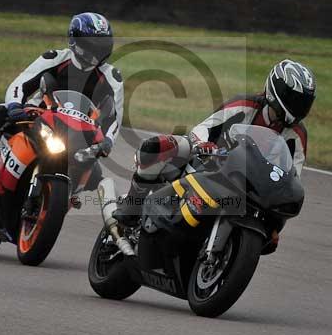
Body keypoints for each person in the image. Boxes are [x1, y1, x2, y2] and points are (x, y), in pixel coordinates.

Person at [116, 59, 316, 253]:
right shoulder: (245, 104)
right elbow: (205, 127)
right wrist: (202, 144)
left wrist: (276, 225)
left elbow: (292, 176)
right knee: (160, 146)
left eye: (305, 102)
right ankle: (132, 206)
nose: (300, 107)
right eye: (295, 100)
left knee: (272, 234)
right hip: (210, 161)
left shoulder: (297, 135)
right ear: (276, 91)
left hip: (249, 185)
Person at [0, 12, 123, 190]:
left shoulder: (112, 77)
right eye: (92, 45)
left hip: (78, 133)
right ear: (75, 41)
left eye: (102, 46)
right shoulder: (54, 58)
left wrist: (107, 141)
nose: (97, 52)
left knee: (96, 174)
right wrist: (15, 106)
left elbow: (114, 117)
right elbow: (20, 84)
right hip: (38, 118)